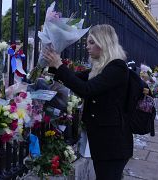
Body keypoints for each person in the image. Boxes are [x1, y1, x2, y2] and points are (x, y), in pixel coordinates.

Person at [43, 24, 133, 180]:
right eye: (87, 42)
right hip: (103, 142)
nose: (87, 46)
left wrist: (59, 66)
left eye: (91, 42)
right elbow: (75, 78)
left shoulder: (117, 68)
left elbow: (86, 89)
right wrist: (53, 66)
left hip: (114, 145)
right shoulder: (101, 67)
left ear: (103, 42)